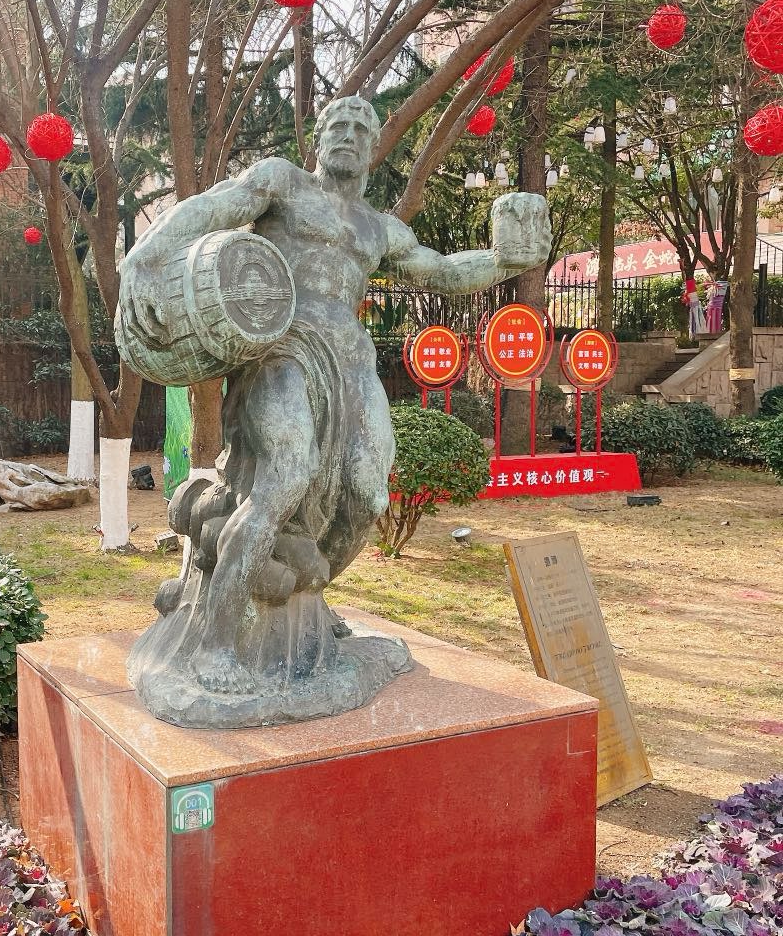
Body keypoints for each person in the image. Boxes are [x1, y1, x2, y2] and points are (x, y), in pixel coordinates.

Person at [118, 96, 550, 713]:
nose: (347, 135)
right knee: (284, 479)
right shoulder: (282, 183)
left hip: (349, 361)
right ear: (318, 140)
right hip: (282, 349)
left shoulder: (378, 228)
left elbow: (440, 271)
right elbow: (211, 207)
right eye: (336, 126)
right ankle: (217, 643)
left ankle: (310, 596)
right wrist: (145, 253)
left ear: (372, 148)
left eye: (359, 128)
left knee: (369, 492)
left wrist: (506, 260)